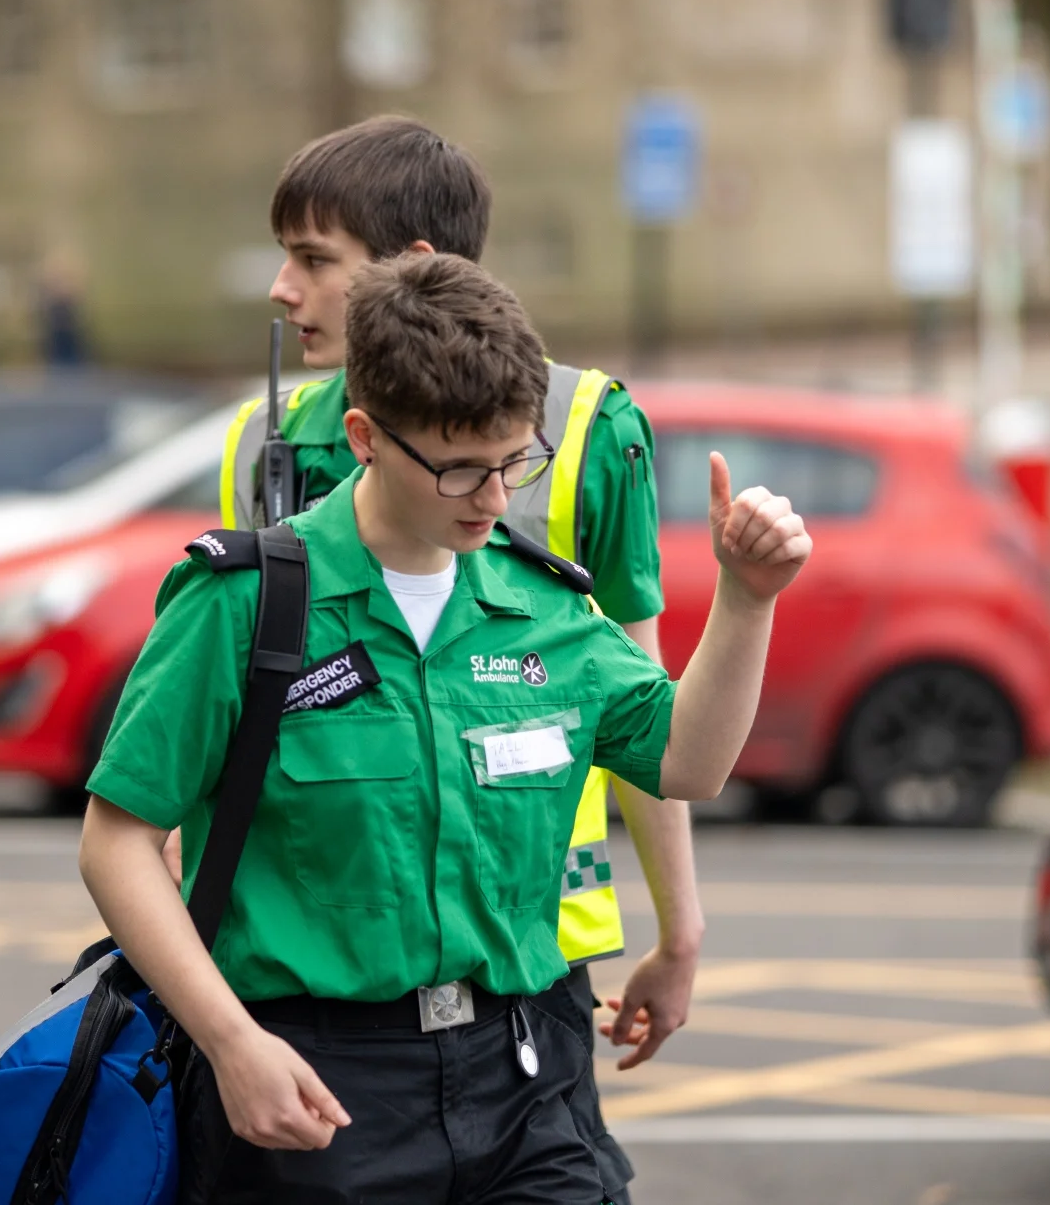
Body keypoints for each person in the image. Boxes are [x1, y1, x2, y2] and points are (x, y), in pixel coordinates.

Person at [81, 252, 812, 1205]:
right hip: (316, 1082)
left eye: (516, 460)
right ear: (365, 437)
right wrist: (231, 1044)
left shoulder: (542, 602)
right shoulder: (247, 603)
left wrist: (747, 602)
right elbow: (118, 840)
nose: (497, 497)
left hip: (527, 1077)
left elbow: (688, 762)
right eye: (461, 468)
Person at [213, 116, 697, 1198]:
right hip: (322, 957)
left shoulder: (586, 425)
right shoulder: (263, 441)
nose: (284, 292)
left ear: (412, 269)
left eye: (314, 259)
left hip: (531, 941)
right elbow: (217, 725)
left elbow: (649, 704)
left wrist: (681, 926)